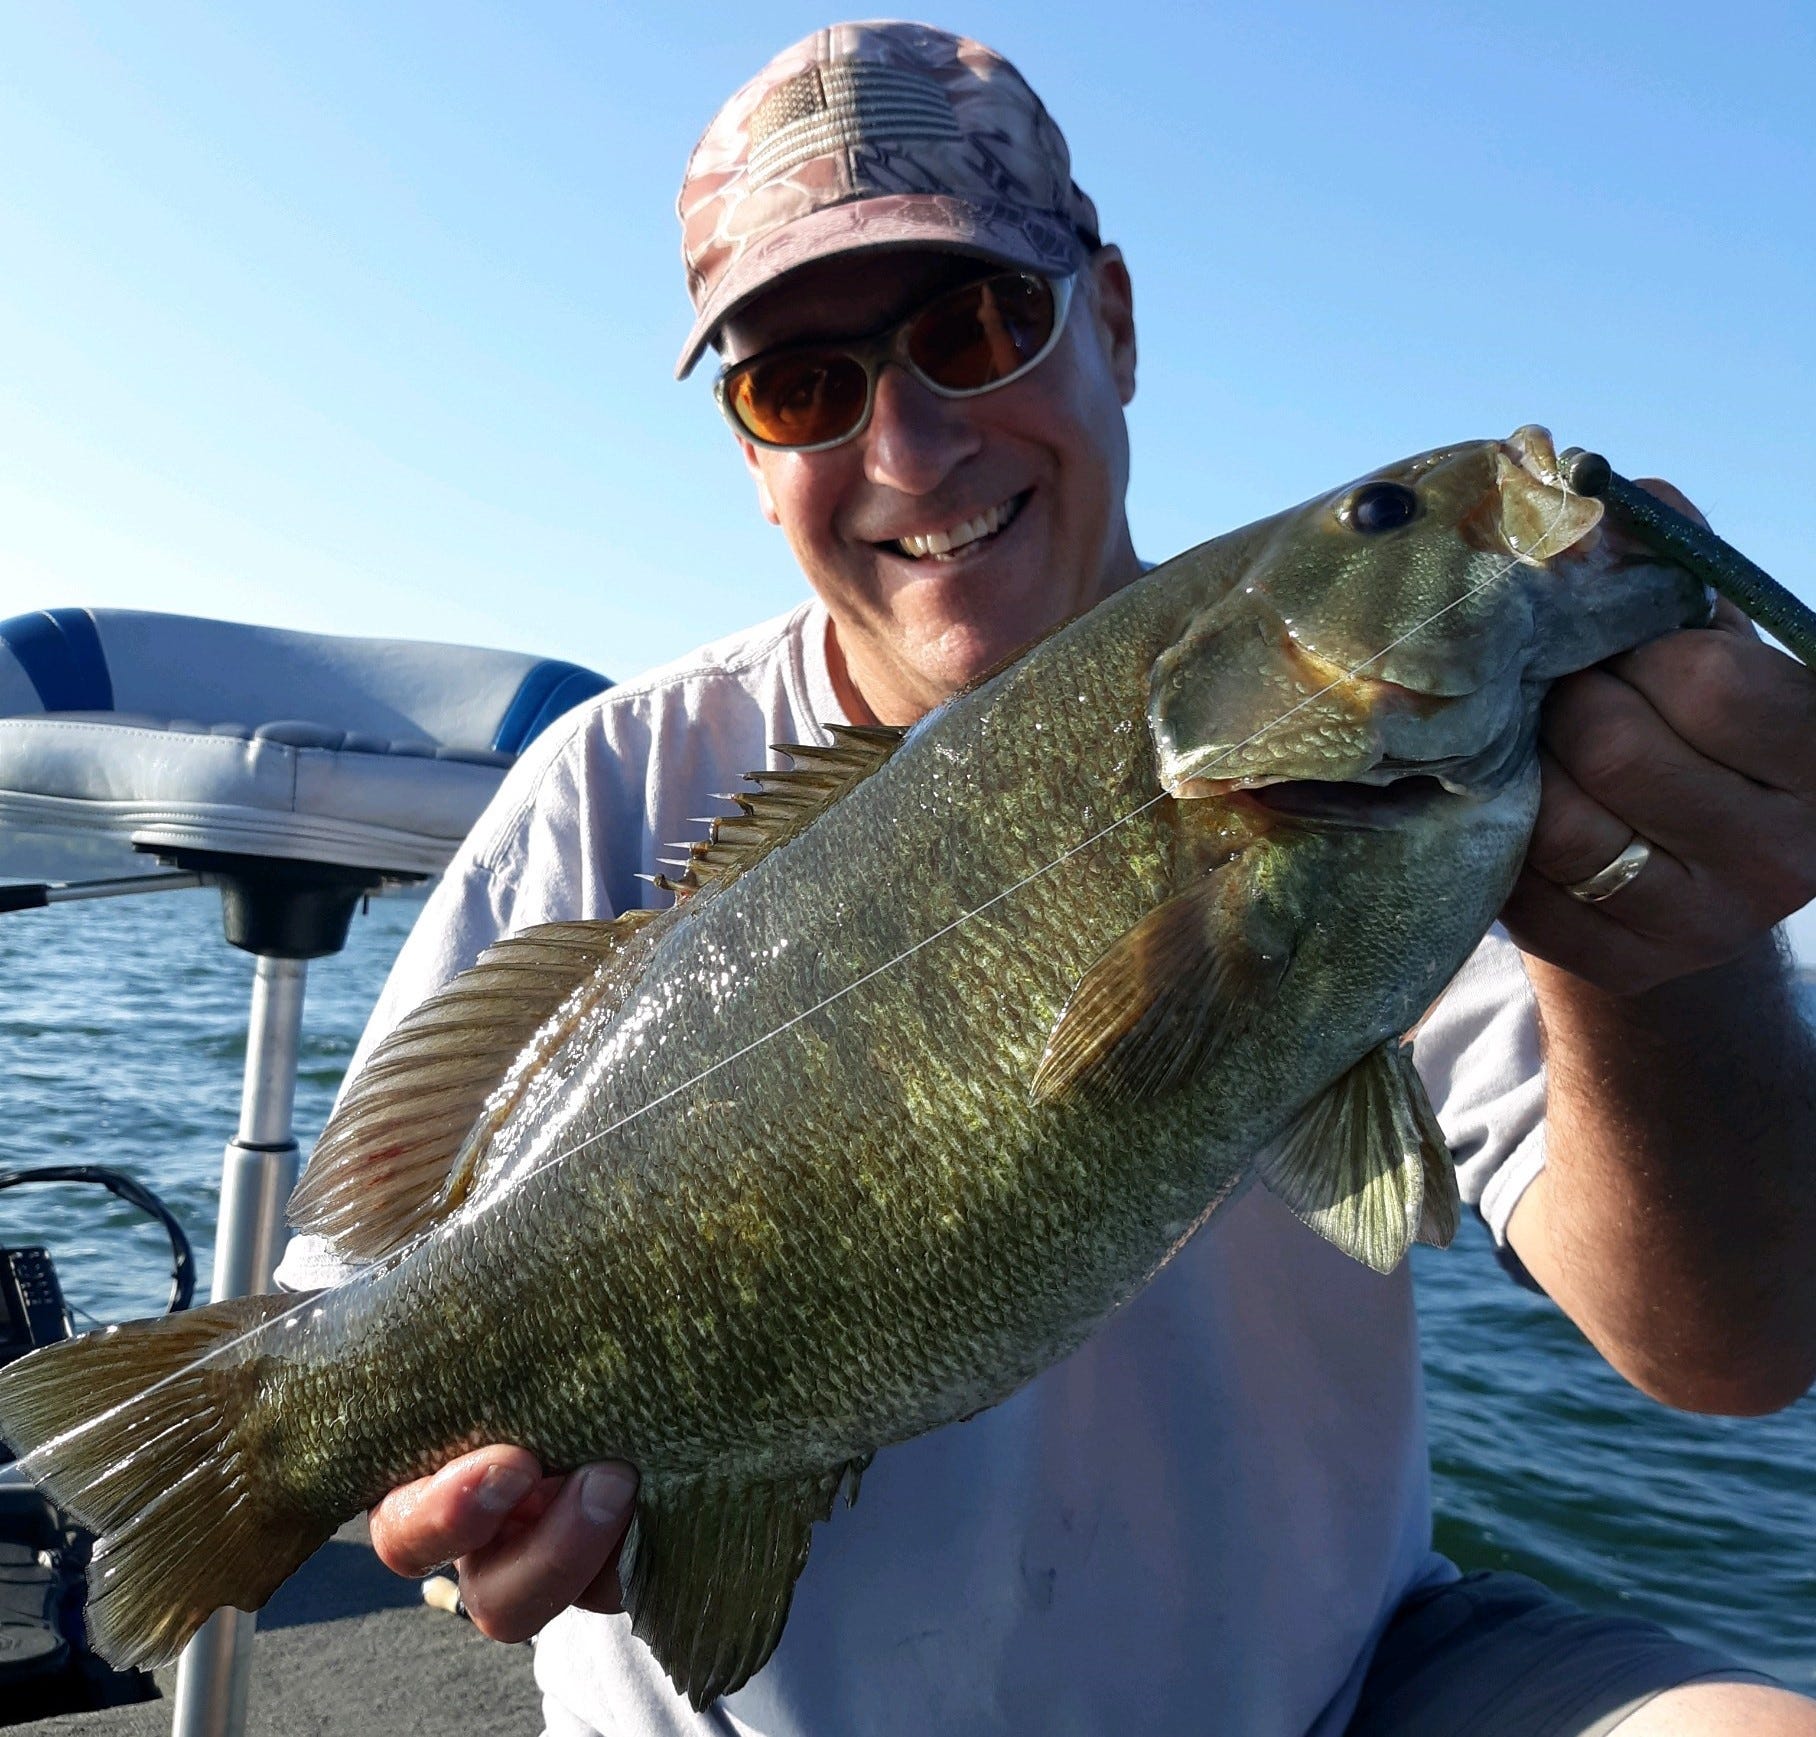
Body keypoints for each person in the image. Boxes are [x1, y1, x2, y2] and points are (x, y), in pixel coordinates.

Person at [275, 22, 1816, 1736]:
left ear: (1120, 324)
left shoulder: (1430, 800)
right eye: (800, 386)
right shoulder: (611, 787)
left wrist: (1661, 952)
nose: (913, 447)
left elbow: (1734, 1347)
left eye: (976, 325)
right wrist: (436, 1504)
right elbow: (354, 1325)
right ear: (746, 453)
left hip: (1327, 1691)